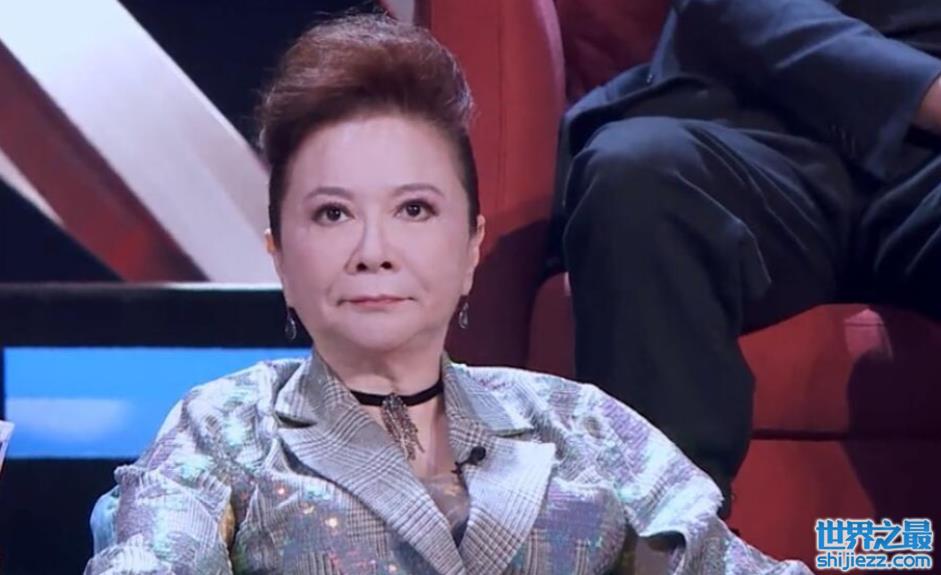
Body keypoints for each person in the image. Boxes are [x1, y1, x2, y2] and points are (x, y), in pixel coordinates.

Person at [85, 14, 810, 575]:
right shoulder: (225, 428)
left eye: (414, 209)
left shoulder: (580, 426)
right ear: (279, 256)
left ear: (469, 248)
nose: (373, 251)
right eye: (332, 214)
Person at [549, 0, 941, 515]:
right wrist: (922, 91)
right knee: (636, 178)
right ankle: (666, 537)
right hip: (751, 120)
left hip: (930, 166)